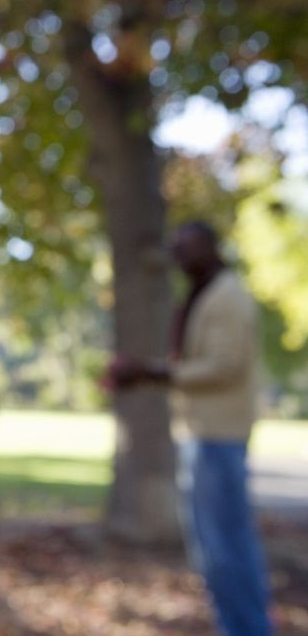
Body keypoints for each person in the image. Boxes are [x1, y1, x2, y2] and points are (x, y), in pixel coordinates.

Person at [110, 221, 271, 636]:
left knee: (226, 549)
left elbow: (224, 365)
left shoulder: (227, 296)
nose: (178, 254)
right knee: (213, 550)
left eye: (186, 246)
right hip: (204, 435)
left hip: (219, 437)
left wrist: (155, 371)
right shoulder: (206, 293)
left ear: (210, 247)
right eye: (174, 246)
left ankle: (248, 628)